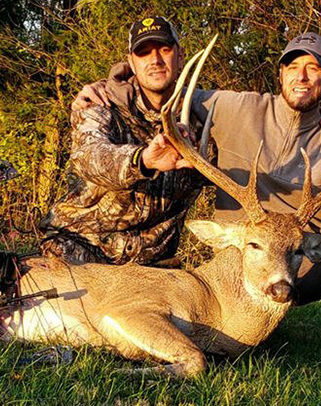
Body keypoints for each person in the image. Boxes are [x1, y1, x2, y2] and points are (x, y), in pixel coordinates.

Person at [73, 32, 321, 361]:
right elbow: (166, 92)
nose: (302, 76)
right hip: (238, 261)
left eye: (313, 68)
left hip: (298, 260)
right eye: (293, 66)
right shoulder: (237, 107)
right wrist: (110, 89)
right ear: (280, 73)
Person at [39, 16, 206, 266]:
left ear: (180, 56)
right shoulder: (100, 104)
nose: (155, 61)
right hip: (82, 248)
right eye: (144, 53)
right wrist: (143, 160)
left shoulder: (200, 118)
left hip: (152, 262)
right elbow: (89, 156)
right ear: (131, 62)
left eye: (164, 49)